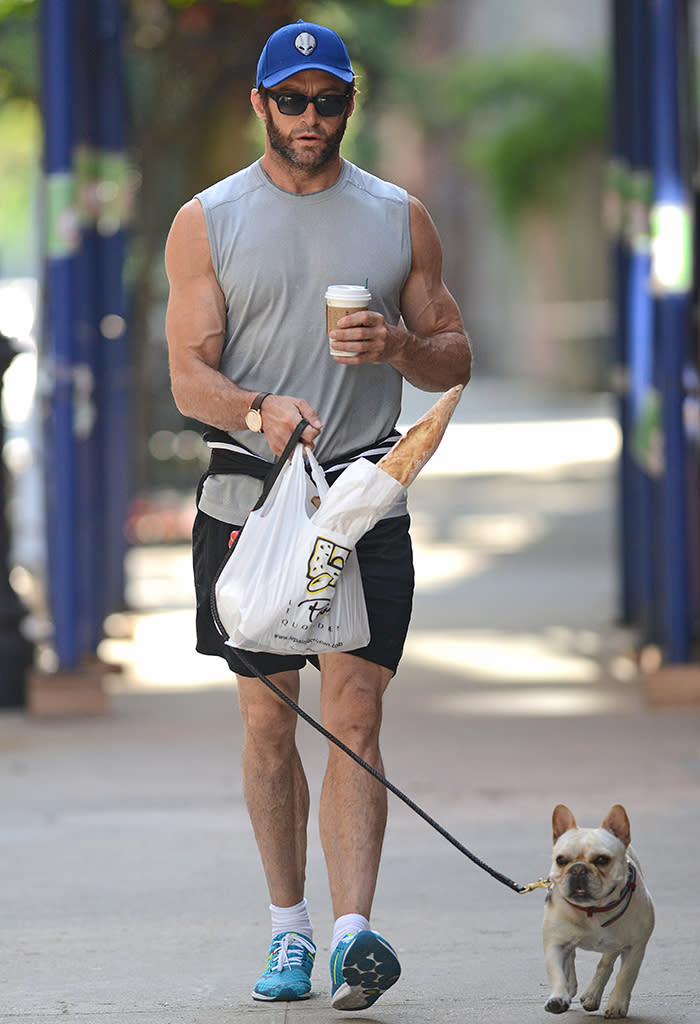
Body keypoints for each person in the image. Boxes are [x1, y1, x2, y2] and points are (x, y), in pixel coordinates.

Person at [164, 19, 471, 1012]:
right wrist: (257, 408)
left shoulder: (398, 216)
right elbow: (186, 375)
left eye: (326, 99)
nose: (309, 117)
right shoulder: (208, 220)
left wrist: (395, 348)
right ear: (261, 104)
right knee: (268, 720)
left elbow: (453, 356)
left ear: (351, 101)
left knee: (357, 715)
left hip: (360, 495)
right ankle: (286, 930)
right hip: (247, 496)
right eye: (290, 100)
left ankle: (351, 938)